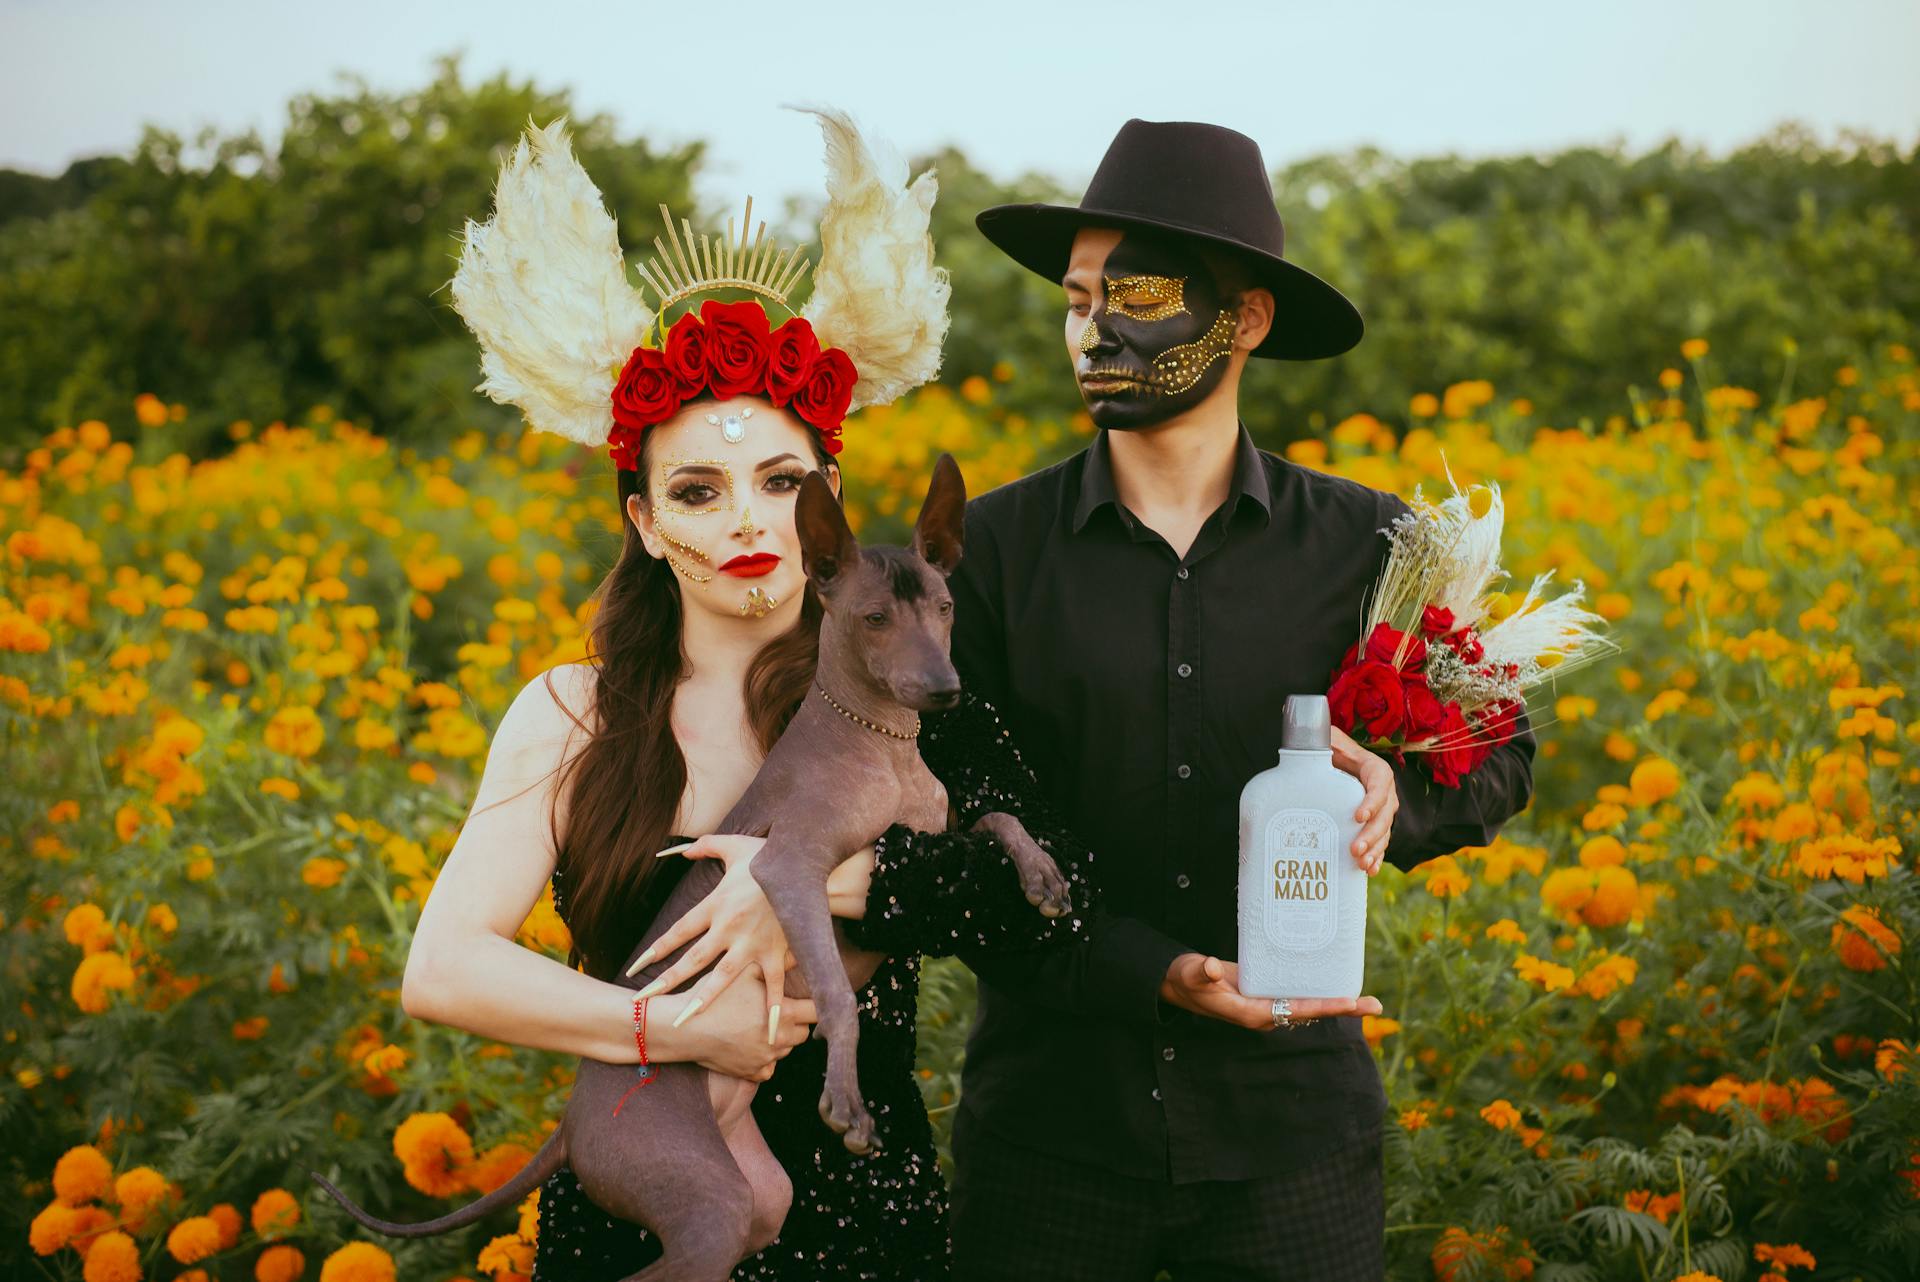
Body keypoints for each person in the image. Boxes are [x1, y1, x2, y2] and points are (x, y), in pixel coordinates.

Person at [401, 110, 1094, 1281]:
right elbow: (447, 969)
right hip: (645, 1206)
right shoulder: (573, 714)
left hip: (867, 1210)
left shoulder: (912, 690)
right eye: (698, 489)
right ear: (645, 520)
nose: (746, 523)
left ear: (825, 503)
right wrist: (667, 1027)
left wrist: (820, 881)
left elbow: (1051, 899)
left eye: (780, 482)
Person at [924, 119, 1540, 1281]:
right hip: (1051, 1142)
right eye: (1072, 299)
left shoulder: (1379, 547)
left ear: (1247, 318)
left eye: (1133, 294)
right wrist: (1144, 965)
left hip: (1294, 1147)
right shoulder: (990, 555)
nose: (1091, 328)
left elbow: (1504, 750)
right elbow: (955, 827)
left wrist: (1390, 798)